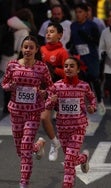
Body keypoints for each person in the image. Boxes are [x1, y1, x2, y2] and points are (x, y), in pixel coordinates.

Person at [1, 35, 54, 188]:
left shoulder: (42, 67)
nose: (28, 50)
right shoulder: (12, 65)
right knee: (21, 150)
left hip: (33, 111)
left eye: (31, 47)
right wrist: (10, 86)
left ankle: (24, 183)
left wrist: (44, 93)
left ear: (37, 50)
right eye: (25, 47)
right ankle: (38, 145)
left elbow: (51, 87)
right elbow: (3, 84)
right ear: (21, 49)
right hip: (16, 111)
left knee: (25, 147)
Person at [46, 56, 96, 187]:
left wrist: (92, 107)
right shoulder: (56, 86)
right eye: (66, 66)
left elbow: (92, 99)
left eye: (72, 66)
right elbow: (47, 106)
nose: (68, 68)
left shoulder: (84, 86)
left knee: (68, 161)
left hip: (78, 127)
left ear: (78, 69)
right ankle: (84, 158)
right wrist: (51, 101)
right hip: (62, 128)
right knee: (71, 160)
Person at [68, 3, 106, 116]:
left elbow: (97, 41)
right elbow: (72, 39)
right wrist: (71, 45)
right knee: (84, 80)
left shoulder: (92, 25)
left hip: (91, 56)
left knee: (95, 78)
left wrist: (87, 37)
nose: (78, 14)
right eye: (76, 12)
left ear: (86, 13)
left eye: (80, 12)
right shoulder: (73, 25)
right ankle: (90, 102)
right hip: (79, 57)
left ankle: (100, 101)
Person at [40, 22, 69, 162]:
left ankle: (73, 156)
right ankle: (53, 142)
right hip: (44, 90)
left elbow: (68, 73)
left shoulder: (62, 52)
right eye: (47, 31)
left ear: (60, 35)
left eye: (52, 31)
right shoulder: (41, 50)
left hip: (60, 90)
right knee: (44, 118)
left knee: (65, 126)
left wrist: (54, 69)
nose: (48, 34)